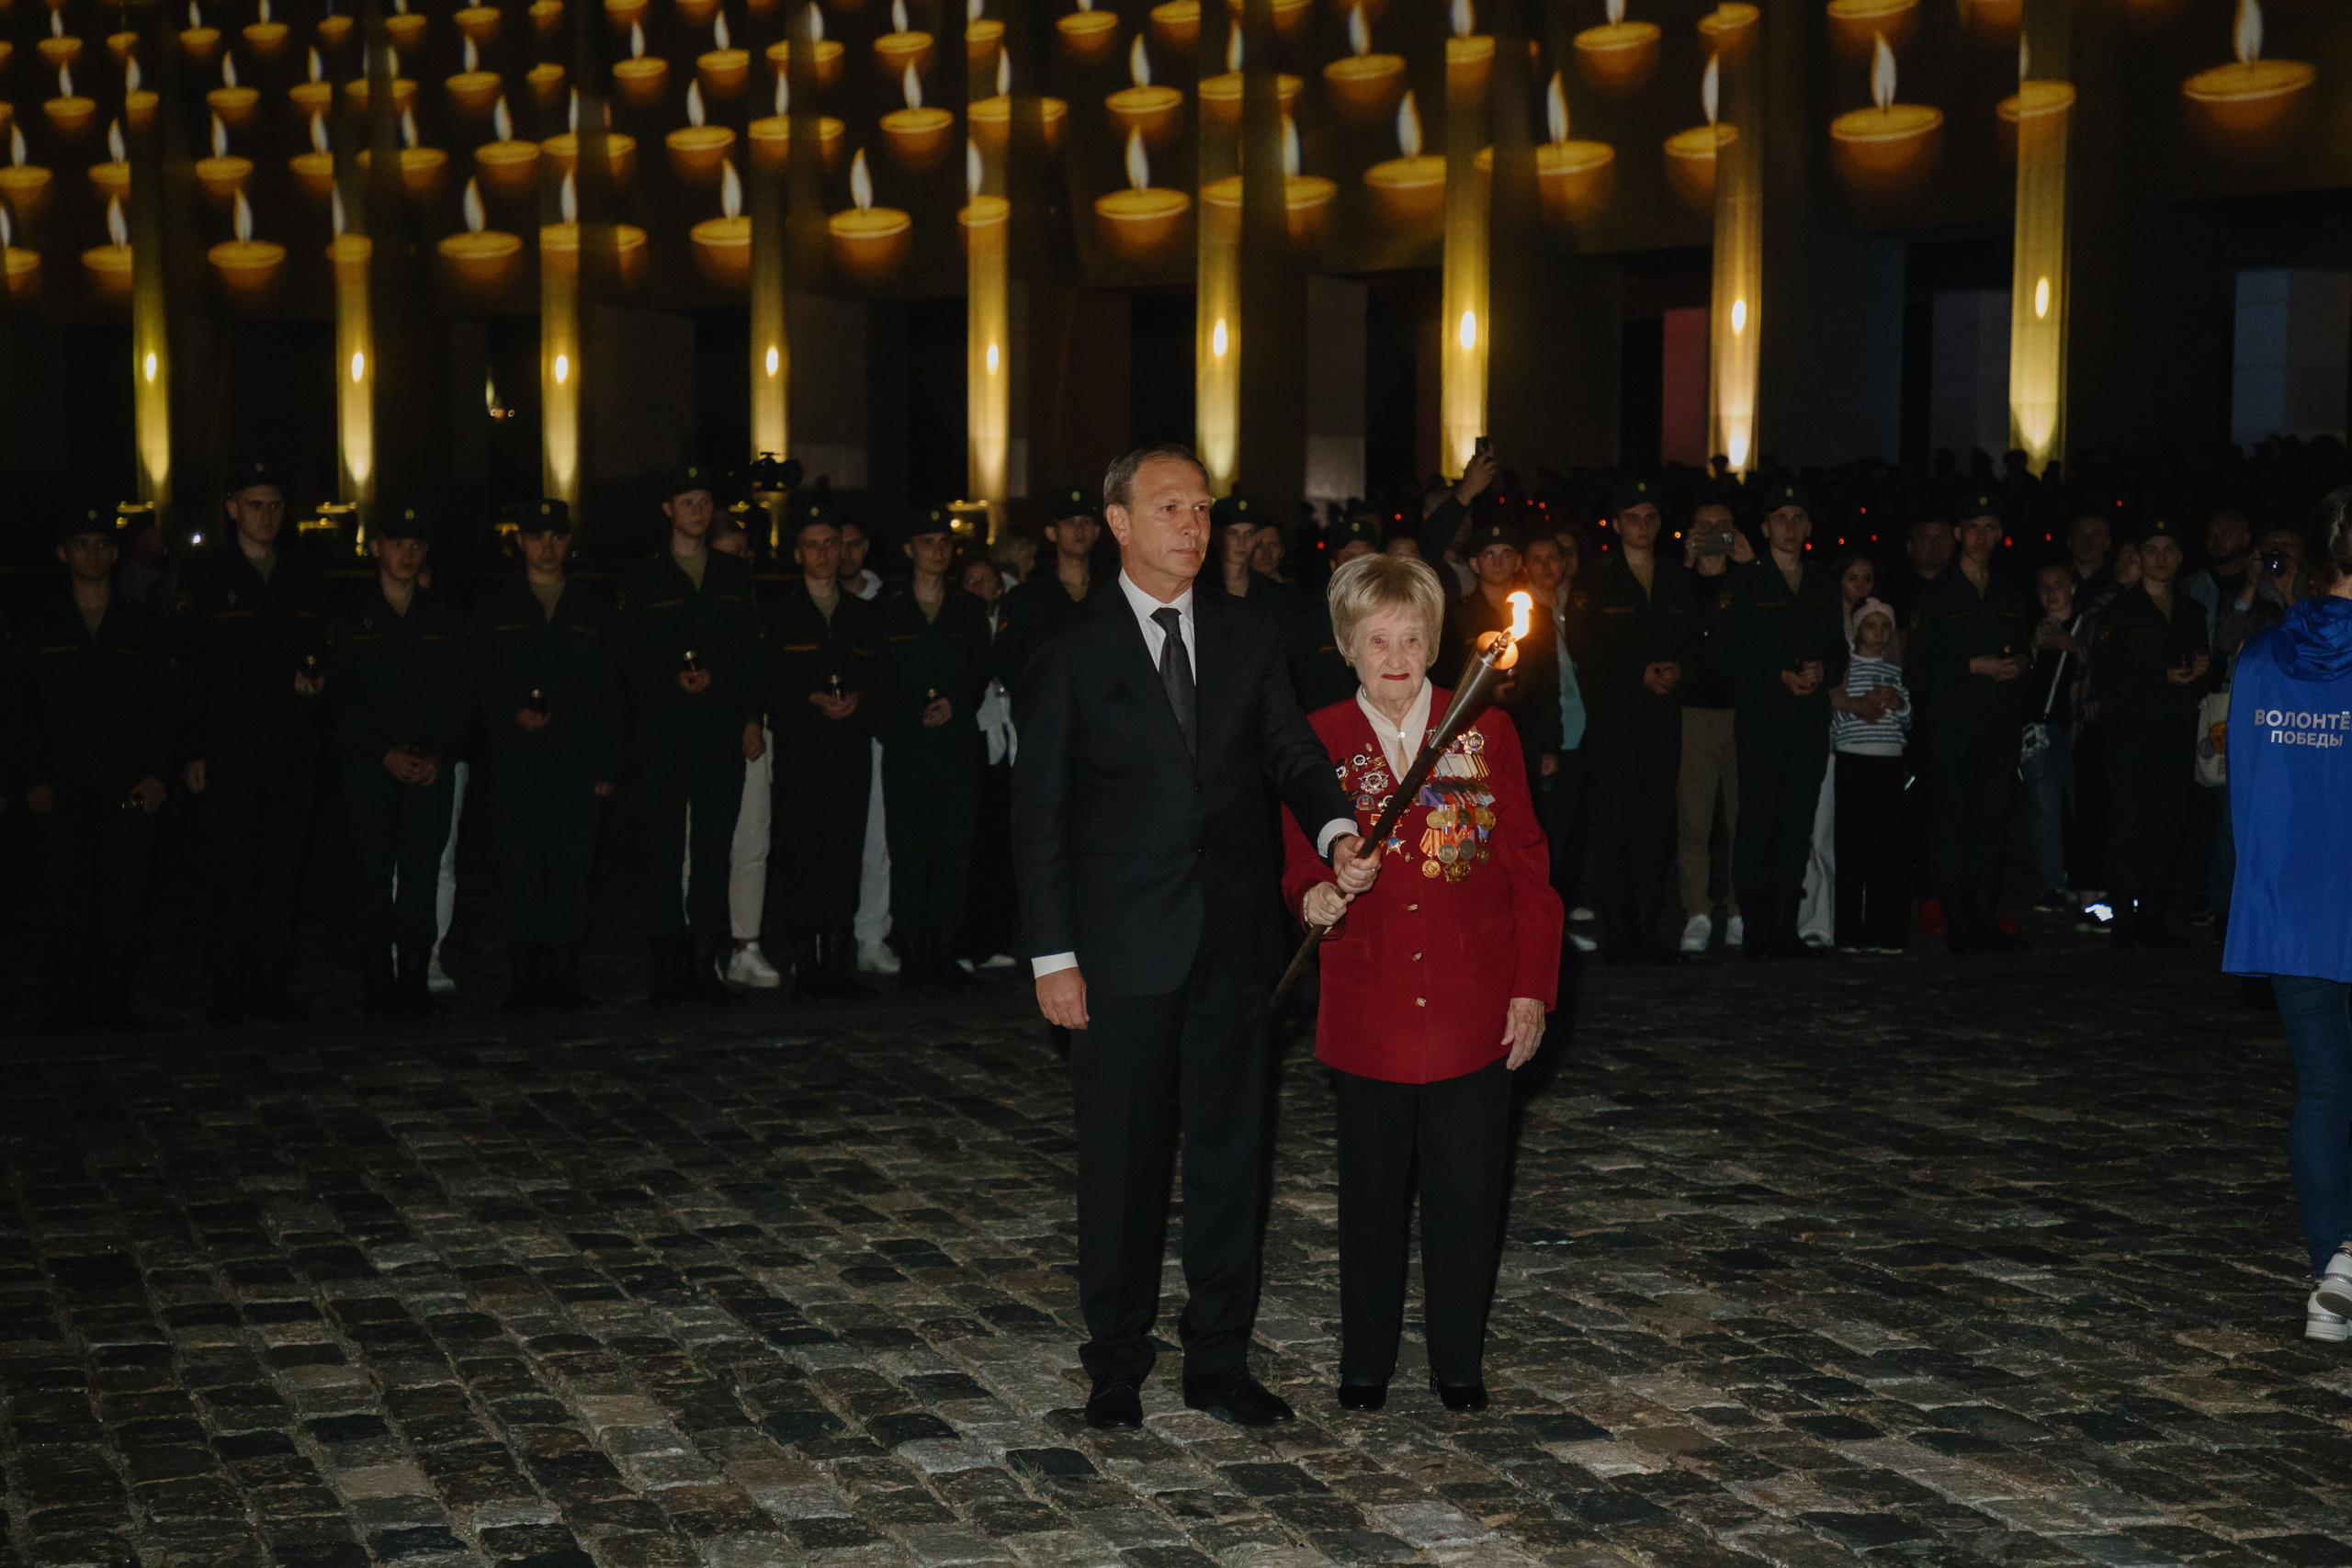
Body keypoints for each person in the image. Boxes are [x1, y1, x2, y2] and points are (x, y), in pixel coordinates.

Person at [1012, 443, 1375, 1433]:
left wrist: (1337, 827)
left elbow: (1290, 751)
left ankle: (1219, 1358)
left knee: (1230, 1155)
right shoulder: (1068, 646)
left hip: (1231, 943)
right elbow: (1037, 812)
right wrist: (1053, 957)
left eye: (1202, 508)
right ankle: (1116, 1362)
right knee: (1121, 1161)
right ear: (1118, 523)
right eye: (1168, 507)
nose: (1192, 525)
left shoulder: (1247, 632)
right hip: (1119, 950)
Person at [1281, 552, 1560, 1414]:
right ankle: (1364, 1362)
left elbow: (1529, 873)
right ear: (1347, 645)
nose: (1395, 656)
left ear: (1437, 643)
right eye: (1376, 639)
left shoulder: (1487, 733)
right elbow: (1293, 867)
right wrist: (1320, 893)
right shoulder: (1319, 737)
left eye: (1411, 637)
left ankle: (1456, 1363)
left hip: (1476, 1001)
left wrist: (1531, 990)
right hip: (1369, 1010)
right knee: (1369, 1198)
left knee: (1467, 1194)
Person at [2220, 485, 2352, 1342]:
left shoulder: (2261, 659)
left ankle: (2331, 1269)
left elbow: (2247, 787)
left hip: (2293, 908)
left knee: (2323, 1089)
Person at [175, 460, 329, 1025]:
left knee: (280, 871)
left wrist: (317, 684)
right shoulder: (207, 577)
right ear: (233, 508)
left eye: (275, 506)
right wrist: (191, 750)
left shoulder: (302, 577)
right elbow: (187, 670)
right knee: (227, 871)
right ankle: (227, 985)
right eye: (255, 504)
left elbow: (322, 653)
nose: (266, 516)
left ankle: (270, 981)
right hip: (227, 751)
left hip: (288, 750)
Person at [14, 502, 175, 1032]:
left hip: (126, 786)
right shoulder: (39, 627)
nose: (92, 553)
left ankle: (114, 999)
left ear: (114, 553)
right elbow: (21, 709)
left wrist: (157, 773)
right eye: (81, 544)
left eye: (102, 544)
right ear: (63, 553)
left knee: (125, 895)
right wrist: (30, 778)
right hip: (61, 788)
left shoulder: (143, 626)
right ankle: (71, 1001)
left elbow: (163, 707)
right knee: (65, 896)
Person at [616, 461, 765, 1005]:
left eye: (704, 502)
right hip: (661, 732)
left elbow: (750, 655)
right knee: (661, 850)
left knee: (712, 850)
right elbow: (626, 659)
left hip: (719, 732)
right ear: (668, 510)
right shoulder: (642, 577)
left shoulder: (733, 576)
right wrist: (669, 679)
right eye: (687, 503)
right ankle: (667, 969)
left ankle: (704, 965)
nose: (697, 512)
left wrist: (751, 717)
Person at [470, 499, 620, 1011]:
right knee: (520, 870)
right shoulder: (496, 610)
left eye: (557, 537)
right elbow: (478, 687)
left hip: (576, 766)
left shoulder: (593, 610)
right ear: (520, 543)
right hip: (517, 764)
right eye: (537, 537)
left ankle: (563, 978)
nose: (548, 547)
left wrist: (607, 765)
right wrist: (509, 716)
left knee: (571, 872)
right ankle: (524, 980)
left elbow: (610, 693)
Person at [327, 503, 469, 1016]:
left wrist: (440, 755)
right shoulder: (349, 617)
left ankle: (412, 982)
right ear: (376, 549)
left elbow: (461, 699)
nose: (406, 556)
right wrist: (380, 752)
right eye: (396, 545)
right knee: (371, 878)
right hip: (370, 771)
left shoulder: (446, 620)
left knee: (420, 877)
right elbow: (341, 700)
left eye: (416, 547)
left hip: (428, 772)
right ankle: (375, 987)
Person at [1707, 484, 1846, 961]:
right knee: (1758, 819)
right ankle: (1757, 929)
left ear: (1809, 527)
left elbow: (1837, 648)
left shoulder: (1825, 585)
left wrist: (1823, 669)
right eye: (1780, 518)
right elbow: (1722, 650)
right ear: (1765, 527)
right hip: (1763, 716)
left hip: (1807, 720)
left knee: (1797, 821)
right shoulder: (1744, 583)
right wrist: (1776, 674)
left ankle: (1786, 926)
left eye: (1798, 517)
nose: (1790, 527)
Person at [1905, 492, 2034, 954]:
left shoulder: (2009, 594)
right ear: (1959, 533)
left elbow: (2026, 658)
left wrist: (2021, 664)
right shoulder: (1937, 596)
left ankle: (1984, 917)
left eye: (1990, 528)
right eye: (1973, 528)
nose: (1982, 537)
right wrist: (1970, 666)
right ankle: (1959, 920)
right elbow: (1916, 670)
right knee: (1952, 825)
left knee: (1991, 825)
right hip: (1952, 729)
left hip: (1998, 726)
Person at [766, 504, 888, 998]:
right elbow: (766, 682)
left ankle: (836, 961)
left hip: (848, 751)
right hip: (800, 752)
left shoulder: (863, 617)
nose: (823, 553)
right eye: (813, 544)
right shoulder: (779, 614)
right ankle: (805, 963)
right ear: (797, 554)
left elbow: (884, 680)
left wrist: (860, 700)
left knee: (843, 854)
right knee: (800, 855)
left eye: (832, 543)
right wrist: (808, 699)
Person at [1569, 479, 1691, 964]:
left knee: (1657, 825)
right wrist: (1635, 673)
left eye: (1650, 517)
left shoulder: (1675, 578)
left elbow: (1691, 641)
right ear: (1617, 523)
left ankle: (1648, 927)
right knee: (1617, 826)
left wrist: (1679, 670)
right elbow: (1585, 647)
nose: (1642, 527)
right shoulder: (1596, 579)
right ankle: (1619, 931)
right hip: (1614, 721)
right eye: (1633, 518)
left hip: (1662, 720)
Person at [878, 507, 992, 987]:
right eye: (927, 541)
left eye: (943, 542)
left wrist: (957, 703)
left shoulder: (967, 610)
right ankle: (911, 953)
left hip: (956, 746)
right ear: (909, 550)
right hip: (907, 746)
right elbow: (879, 677)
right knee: (907, 851)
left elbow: (980, 668)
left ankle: (944, 951)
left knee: (952, 850)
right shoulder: (889, 610)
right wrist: (910, 714)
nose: (937, 549)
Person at [2089, 515, 2211, 946]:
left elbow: (2203, 673)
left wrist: (2200, 670)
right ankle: (2124, 913)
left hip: (2175, 730)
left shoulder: (2193, 612)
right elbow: (2104, 672)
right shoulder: (2119, 613)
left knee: (2168, 821)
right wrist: (2160, 676)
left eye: (2168, 550)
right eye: (2152, 550)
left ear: (2179, 558)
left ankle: (2155, 911)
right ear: (2138, 557)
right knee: (2128, 821)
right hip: (2130, 732)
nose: (2160, 559)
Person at [708, 509, 784, 987]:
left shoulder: (760, 608)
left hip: (757, 734)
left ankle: (746, 945)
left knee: (752, 842)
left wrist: (755, 720)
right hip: (707, 735)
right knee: (703, 847)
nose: (741, 563)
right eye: (729, 554)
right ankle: (702, 944)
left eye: (744, 554)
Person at [1678, 499, 1749, 954]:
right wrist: (1687, 566)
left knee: (1743, 817)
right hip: (1693, 712)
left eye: (1724, 525)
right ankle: (1698, 912)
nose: (1715, 532)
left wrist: (1748, 567)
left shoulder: (1748, 579)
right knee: (1694, 820)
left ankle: (1740, 911)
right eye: (1706, 526)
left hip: (1742, 711)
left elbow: (1763, 624)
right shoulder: (1679, 581)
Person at [1827, 598, 1912, 953]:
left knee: (1888, 851)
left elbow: (1908, 721)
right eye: (1871, 626)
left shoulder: (1895, 670)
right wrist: (1859, 706)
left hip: (1889, 765)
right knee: (1851, 850)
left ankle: (1886, 932)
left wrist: (1898, 705)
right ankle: (1848, 933)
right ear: (1858, 628)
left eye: (1885, 627)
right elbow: (1834, 717)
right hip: (1854, 763)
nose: (1878, 635)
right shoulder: (1845, 669)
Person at [1522, 532, 1591, 953]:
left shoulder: (1577, 603)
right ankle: (1549, 924)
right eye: (1538, 557)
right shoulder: (1522, 609)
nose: (1549, 565)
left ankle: (1565, 902)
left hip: (1583, 727)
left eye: (1556, 557)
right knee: (1549, 829)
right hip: (1551, 733)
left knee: (1573, 827)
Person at [958, 552, 1022, 969]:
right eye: (972, 581)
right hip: (970, 738)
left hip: (1005, 742)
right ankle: (964, 943)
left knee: (1001, 843)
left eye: (988, 581)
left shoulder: (1008, 626)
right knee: (968, 844)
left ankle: (995, 937)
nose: (980, 588)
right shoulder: (958, 628)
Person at [996, 487, 1102, 707]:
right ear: (1051, 533)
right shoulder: (1025, 599)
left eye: (1086, 522)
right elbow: (1007, 662)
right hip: (1048, 716)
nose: (1079, 529)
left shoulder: (1114, 594)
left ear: (1097, 531)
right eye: (1070, 522)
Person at [2021, 562, 2086, 916]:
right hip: (2039, 730)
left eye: (2058, 583)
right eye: (2044, 584)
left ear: (2072, 586)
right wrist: (2032, 646)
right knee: (2044, 810)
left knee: (2081, 807)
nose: (2051, 591)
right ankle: (2053, 886)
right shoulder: (2032, 627)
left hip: (2077, 729)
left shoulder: (2088, 623)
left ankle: (2083, 880)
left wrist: (2074, 645)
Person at [1286, 512, 1379, 711]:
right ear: (1334, 566)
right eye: (1349, 557)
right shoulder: (1309, 625)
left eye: (1365, 558)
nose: (1358, 567)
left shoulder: (1393, 620)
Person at [1212, 493, 1291, 618]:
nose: (1241, 542)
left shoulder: (1273, 595)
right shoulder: (1200, 588)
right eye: (1232, 533)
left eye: (1249, 533)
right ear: (1216, 537)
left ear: (1257, 538)